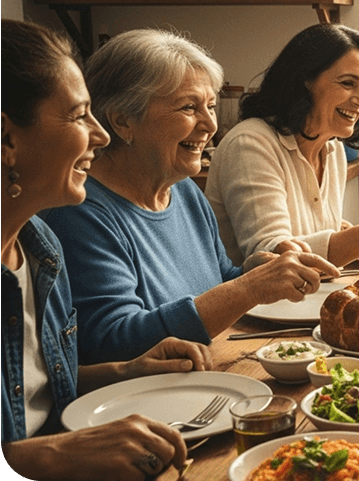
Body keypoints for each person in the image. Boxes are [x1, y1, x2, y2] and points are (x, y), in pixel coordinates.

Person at [40, 29, 338, 364]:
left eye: (210, 105)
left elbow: (216, 282)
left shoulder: (181, 190)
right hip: (144, 405)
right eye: (188, 107)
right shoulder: (80, 214)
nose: (210, 123)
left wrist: (255, 273)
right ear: (123, 121)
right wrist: (249, 288)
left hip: (206, 372)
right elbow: (113, 342)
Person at [1, 19, 215, 481]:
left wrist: (125, 370)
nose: (99, 136)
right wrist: (55, 454)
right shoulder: (74, 224)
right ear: (8, 139)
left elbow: (35, 392)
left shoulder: (40, 249)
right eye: (79, 116)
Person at [206, 24, 359, 267]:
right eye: (348, 83)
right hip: (259, 305)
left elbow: (311, 235)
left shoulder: (333, 149)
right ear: (304, 80)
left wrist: (352, 233)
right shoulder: (250, 144)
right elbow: (274, 258)